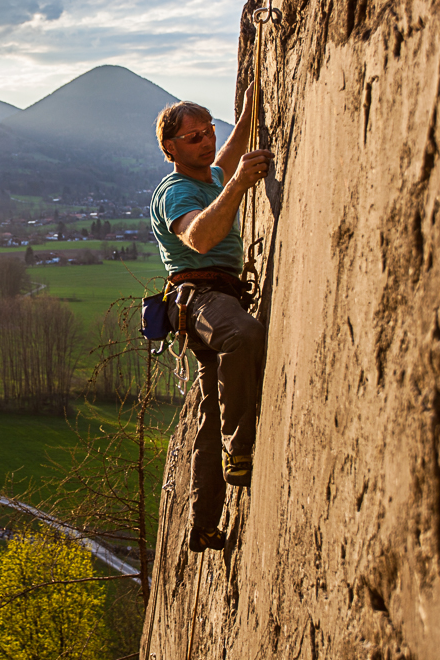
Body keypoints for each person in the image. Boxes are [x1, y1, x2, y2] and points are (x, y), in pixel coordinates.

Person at [148, 84, 273, 553]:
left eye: (208, 131)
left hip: (215, 298)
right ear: (170, 148)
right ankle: (240, 447)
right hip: (200, 298)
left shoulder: (212, 175)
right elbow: (198, 237)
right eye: (193, 136)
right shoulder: (176, 191)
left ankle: (202, 522)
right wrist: (238, 185)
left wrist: (255, 98)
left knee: (209, 411)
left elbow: (233, 147)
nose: (205, 141)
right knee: (242, 334)